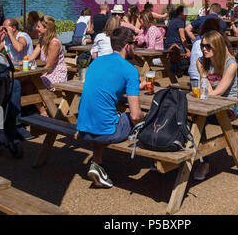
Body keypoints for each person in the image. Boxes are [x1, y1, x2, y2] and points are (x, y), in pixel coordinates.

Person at [76, 27, 147, 188]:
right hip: (106, 133)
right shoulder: (130, 69)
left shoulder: (96, 62)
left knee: (105, 114)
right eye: (135, 43)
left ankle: (97, 162)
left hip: (82, 129)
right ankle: (154, 162)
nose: (136, 47)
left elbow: (106, 89)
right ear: (127, 45)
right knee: (140, 118)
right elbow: (135, 116)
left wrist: (134, 87)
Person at [193, 30, 238, 181]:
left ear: (218, 46)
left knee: (197, 119)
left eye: (208, 46)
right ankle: (195, 158)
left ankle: (203, 163)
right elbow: (205, 91)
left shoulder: (230, 64)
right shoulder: (201, 61)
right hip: (208, 105)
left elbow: (216, 93)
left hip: (227, 108)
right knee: (188, 117)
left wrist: (204, 79)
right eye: (202, 46)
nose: (204, 49)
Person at [0, 18, 34, 140]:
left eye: (6, 28)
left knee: (14, 84)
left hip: (27, 71)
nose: (4, 30)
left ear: (13, 28)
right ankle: (8, 123)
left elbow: (19, 48)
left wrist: (10, 35)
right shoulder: (6, 38)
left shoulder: (22, 36)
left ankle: (16, 124)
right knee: (6, 83)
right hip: (13, 71)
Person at [26, 16, 67, 116]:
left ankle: (43, 112)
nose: (36, 28)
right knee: (26, 83)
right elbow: (32, 56)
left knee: (31, 83)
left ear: (46, 28)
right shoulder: (42, 40)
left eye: (39, 26)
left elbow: (49, 66)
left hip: (56, 74)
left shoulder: (54, 43)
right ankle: (40, 110)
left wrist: (34, 74)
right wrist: (19, 62)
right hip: (47, 72)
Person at [189, 17, 232, 85]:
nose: (204, 48)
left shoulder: (198, 40)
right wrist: (226, 41)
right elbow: (231, 57)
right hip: (202, 77)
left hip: (194, 76)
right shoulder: (211, 42)